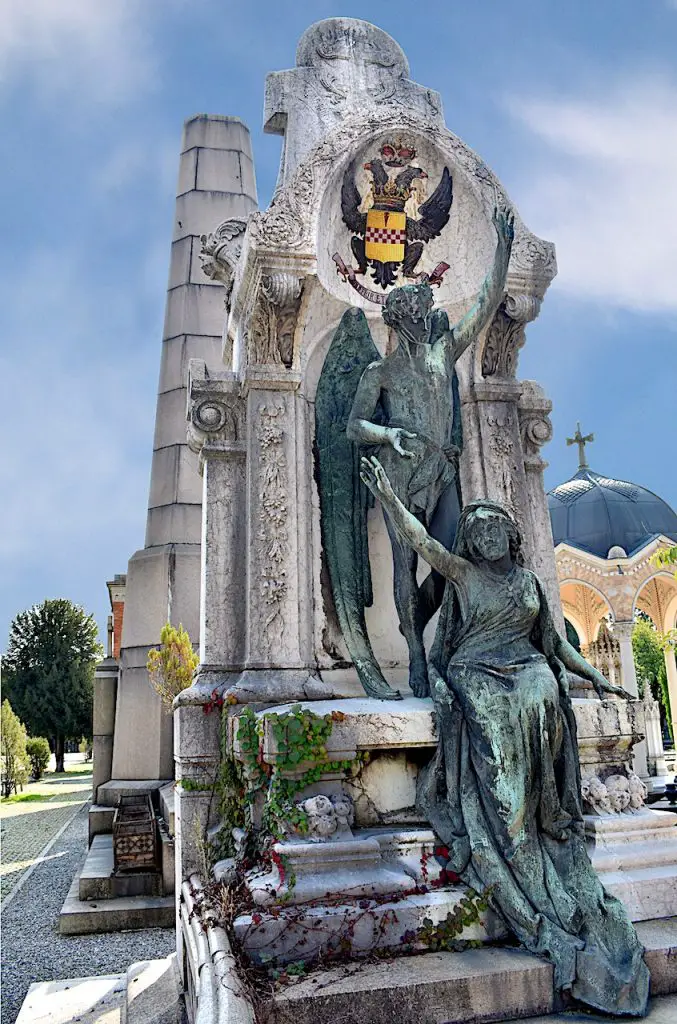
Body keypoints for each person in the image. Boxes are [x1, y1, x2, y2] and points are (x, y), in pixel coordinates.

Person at [359, 454, 649, 1018]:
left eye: (498, 525)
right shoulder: (463, 575)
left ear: (512, 536)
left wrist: (596, 678)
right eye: (480, 526)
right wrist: (392, 502)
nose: (489, 533)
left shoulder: (528, 583)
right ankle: (512, 832)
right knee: (494, 721)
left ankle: (542, 826)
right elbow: (425, 546)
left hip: (527, 669)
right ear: (471, 538)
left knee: (545, 684)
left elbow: (557, 645)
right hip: (476, 670)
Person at [346, 208, 514, 698]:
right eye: (420, 305)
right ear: (404, 317)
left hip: (441, 469)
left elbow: (483, 307)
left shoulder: (443, 352)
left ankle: (417, 628)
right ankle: (417, 658)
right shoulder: (378, 372)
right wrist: (387, 435)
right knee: (405, 565)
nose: (428, 309)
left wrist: (501, 252)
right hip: (399, 473)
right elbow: (354, 425)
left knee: (451, 558)